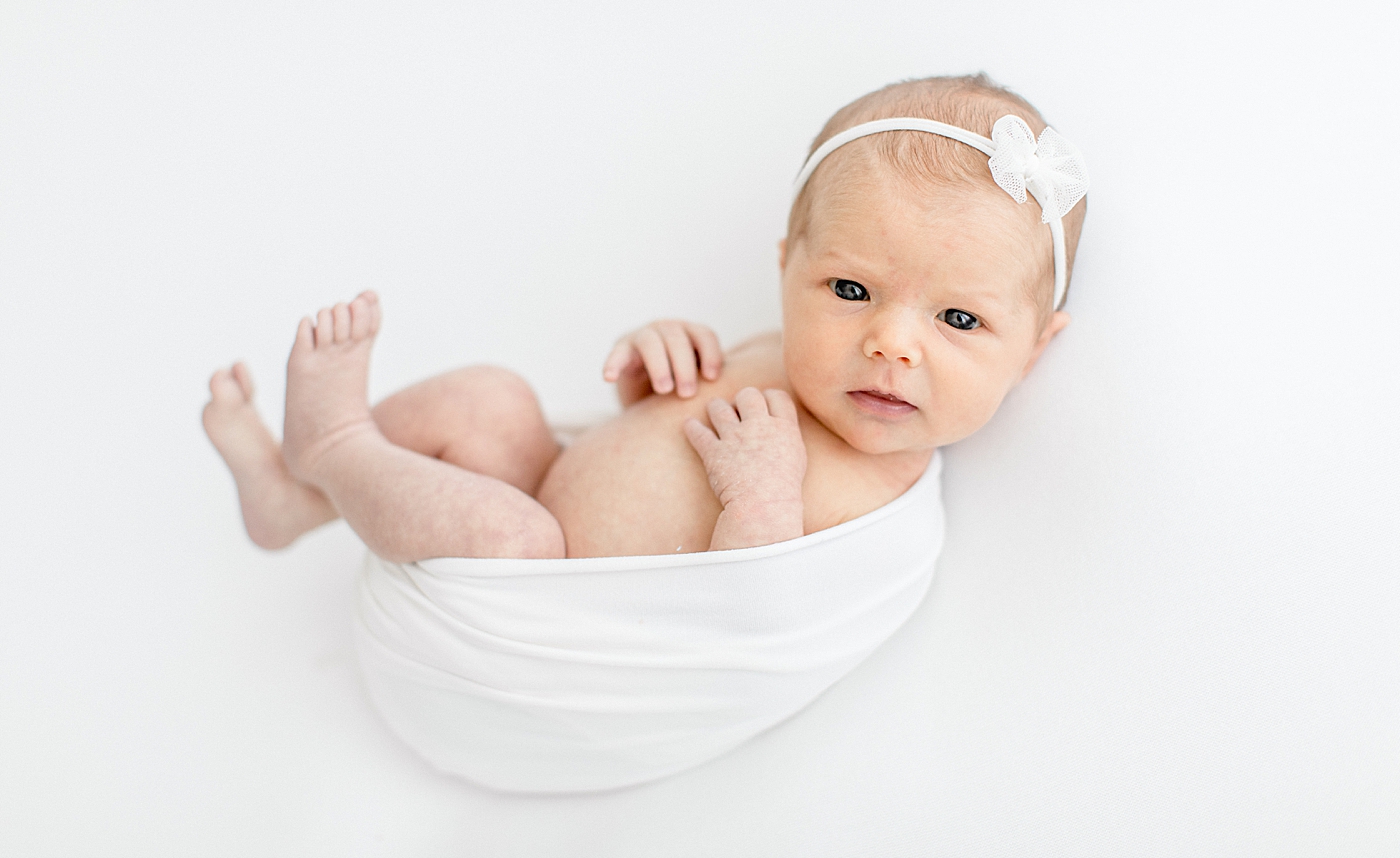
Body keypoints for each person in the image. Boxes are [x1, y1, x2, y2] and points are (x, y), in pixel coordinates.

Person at [202, 73, 1088, 561]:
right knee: (491, 398)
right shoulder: (782, 355)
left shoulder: (883, 486)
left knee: (507, 536)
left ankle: (333, 449)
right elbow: (650, 440)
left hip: (546, 581)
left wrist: (760, 499)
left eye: (960, 320)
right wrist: (654, 371)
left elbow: (760, 614)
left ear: (1034, 352)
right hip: (548, 477)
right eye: (850, 290)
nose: (890, 341)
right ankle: (295, 501)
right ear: (787, 269)